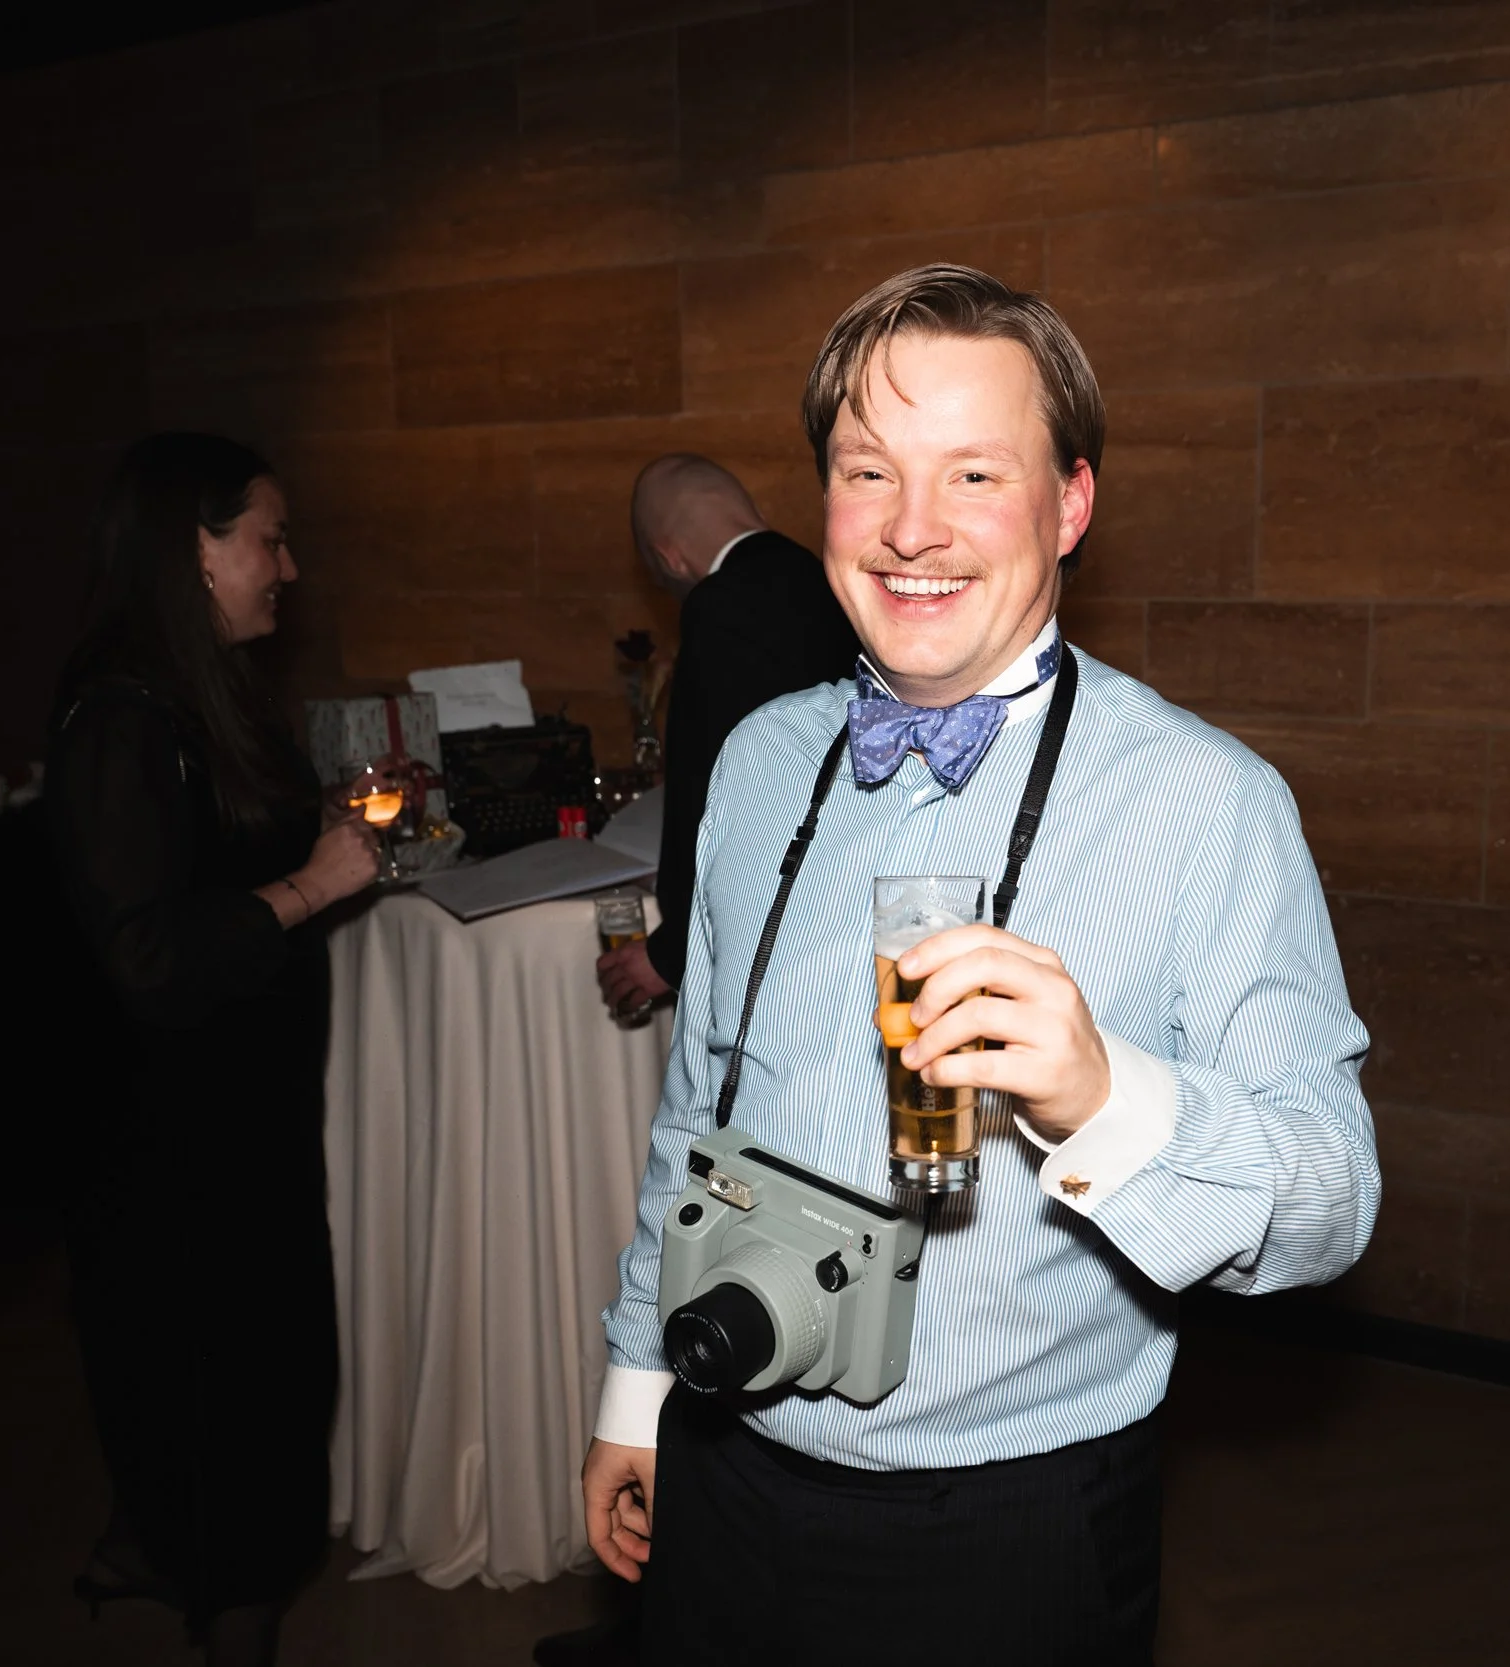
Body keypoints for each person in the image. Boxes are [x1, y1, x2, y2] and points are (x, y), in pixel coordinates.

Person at [582, 266, 1381, 1665]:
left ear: (1071, 502)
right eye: (867, 470)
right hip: (728, 1455)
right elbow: (697, 1104)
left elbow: (1330, 1199)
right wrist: (636, 1383)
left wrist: (1102, 1091)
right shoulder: (766, 758)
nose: (911, 530)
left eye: (972, 473)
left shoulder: (1208, 801)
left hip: (1014, 1522)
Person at [47, 433, 378, 1667]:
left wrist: (316, 834)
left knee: (245, 1371)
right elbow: (146, 954)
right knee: (234, 1382)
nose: (286, 567)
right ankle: (226, 1609)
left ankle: (158, 1543)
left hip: (233, 1124)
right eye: (267, 540)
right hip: (177, 1145)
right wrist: (310, 884)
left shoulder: (196, 693)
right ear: (195, 546)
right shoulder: (119, 717)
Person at [594, 454, 859, 1017]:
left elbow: (720, 800)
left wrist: (668, 957)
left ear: (668, 556)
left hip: (768, 951)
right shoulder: (825, 577)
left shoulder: (721, 611)